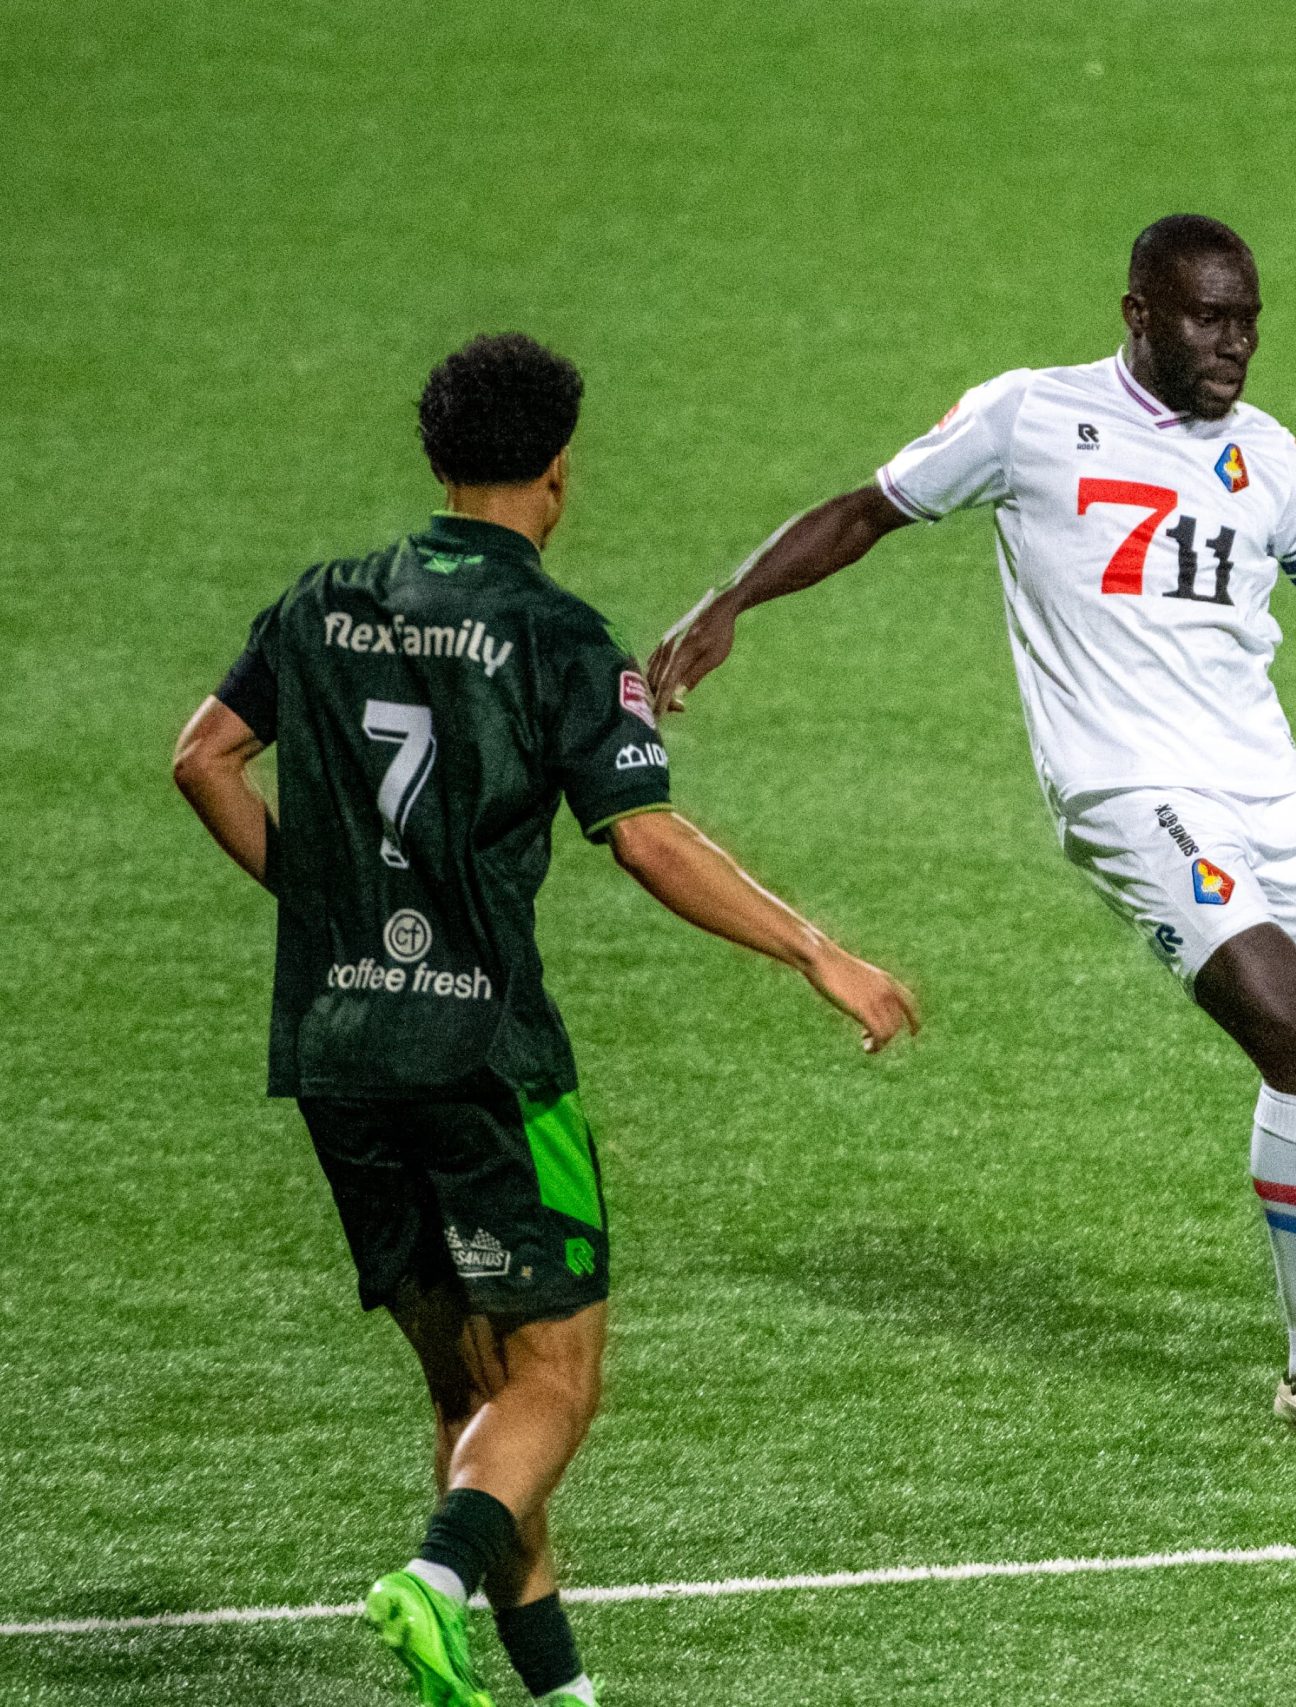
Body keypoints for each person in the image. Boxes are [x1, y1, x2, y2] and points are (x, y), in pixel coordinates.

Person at [649, 215, 1296, 1435]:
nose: (1233, 343)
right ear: (1138, 311)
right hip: (1131, 795)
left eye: (1247, 319)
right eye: (1207, 318)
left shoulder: (1272, 460)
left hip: (1269, 783)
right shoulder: (1028, 417)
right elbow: (865, 511)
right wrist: (733, 602)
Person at [172, 333, 918, 1706]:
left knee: (478, 1398)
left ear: (439, 457)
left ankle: (554, 1693)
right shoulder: (557, 635)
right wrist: (819, 951)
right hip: (484, 1059)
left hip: (338, 1046)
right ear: (559, 472)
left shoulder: (323, 599)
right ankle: (434, 1577)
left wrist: (323, 899)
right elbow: (642, 837)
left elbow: (202, 756)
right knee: (558, 1381)